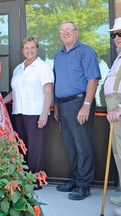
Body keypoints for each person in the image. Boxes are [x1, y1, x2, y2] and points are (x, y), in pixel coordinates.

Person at [53, 20, 101, 200]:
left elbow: (93, 80)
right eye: (62, 30)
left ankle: (84, 185)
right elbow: (58, 81)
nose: (65, 33)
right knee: (71, 147)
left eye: (68, 30)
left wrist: (86, 106)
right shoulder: (58, 55)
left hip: (80, 103)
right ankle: (74, 179)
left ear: (76, 32)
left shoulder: (86, 51)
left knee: (83, 146)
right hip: (63, 105)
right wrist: (57, 106)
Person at [3, 37, 54, 180]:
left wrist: (44, 113)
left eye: (32, 47)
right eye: (26, 48)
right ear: (22, 50)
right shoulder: (18, 69)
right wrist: (0, 103)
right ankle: (23, 180)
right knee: (22, 147)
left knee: (36, 149)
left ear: (37, 49)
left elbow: (48, 90)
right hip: (19, 112)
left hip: (36, 113)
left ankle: (36, 180)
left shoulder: (43, 67)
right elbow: (14, 92)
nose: (29, 50)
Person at [104, 17, 121, 216]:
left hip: (118, 108)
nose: (117, 37)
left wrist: (119, 108)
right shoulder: (118, 56)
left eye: (120, 33)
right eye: (114, 34)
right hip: (113, 108)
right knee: (118, 153)